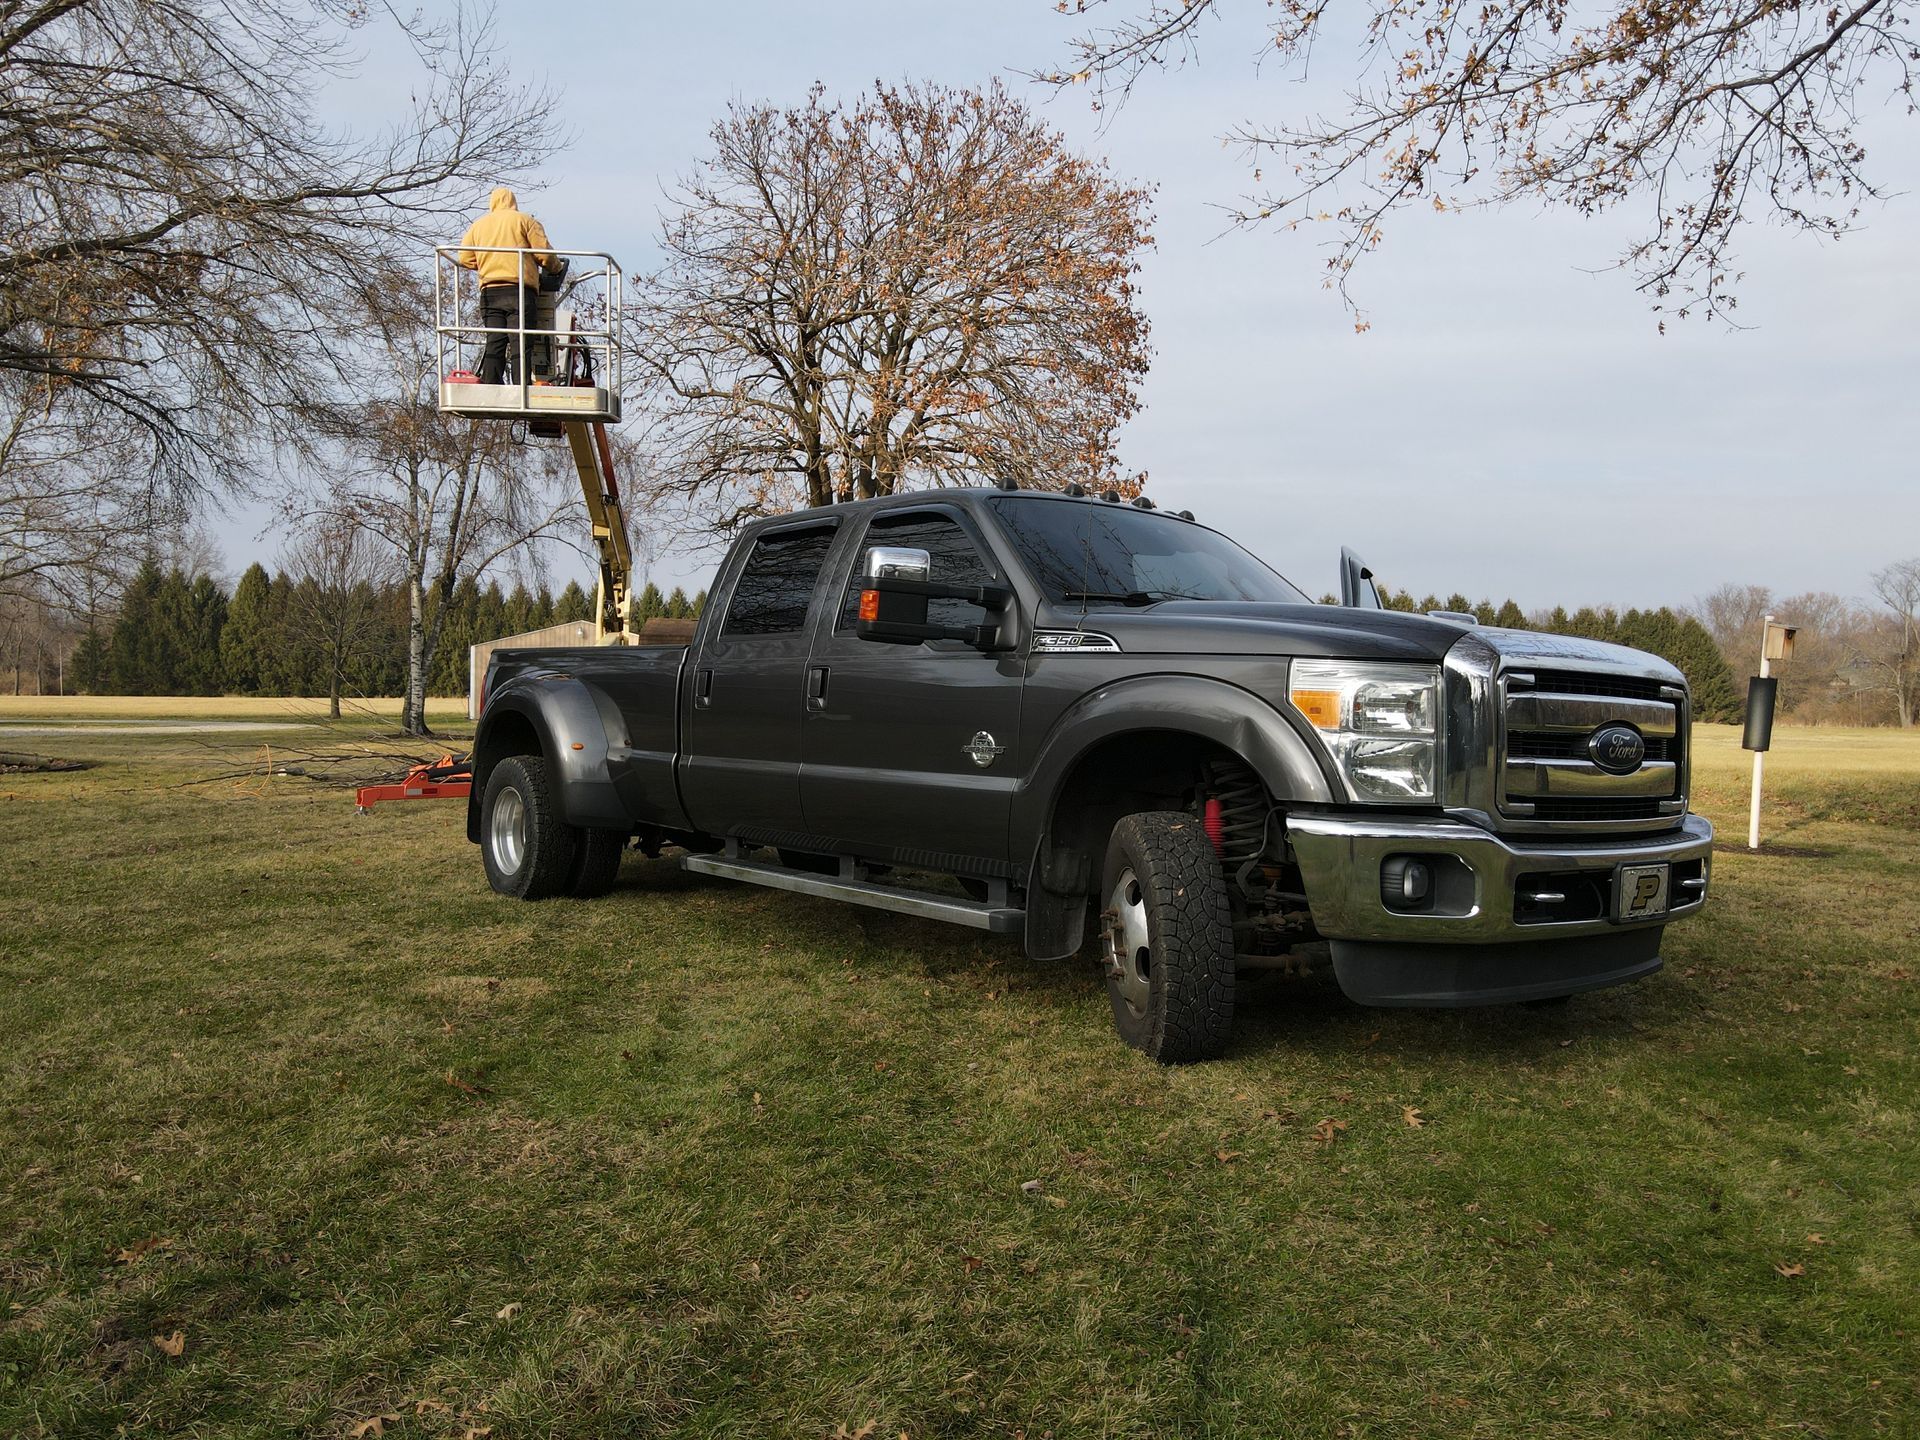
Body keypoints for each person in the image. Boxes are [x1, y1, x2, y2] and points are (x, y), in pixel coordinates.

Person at [457, 188, 565, 385]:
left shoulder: (479, 226)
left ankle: (491, 383)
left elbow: (464, 258)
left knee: (495, 340)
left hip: (490, 291)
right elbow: (545, 255)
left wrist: (485, 264)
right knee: (521, 342)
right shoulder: (525, 221)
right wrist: (556, 268)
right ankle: (520, 386)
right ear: (514, 202)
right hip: (519, 291)